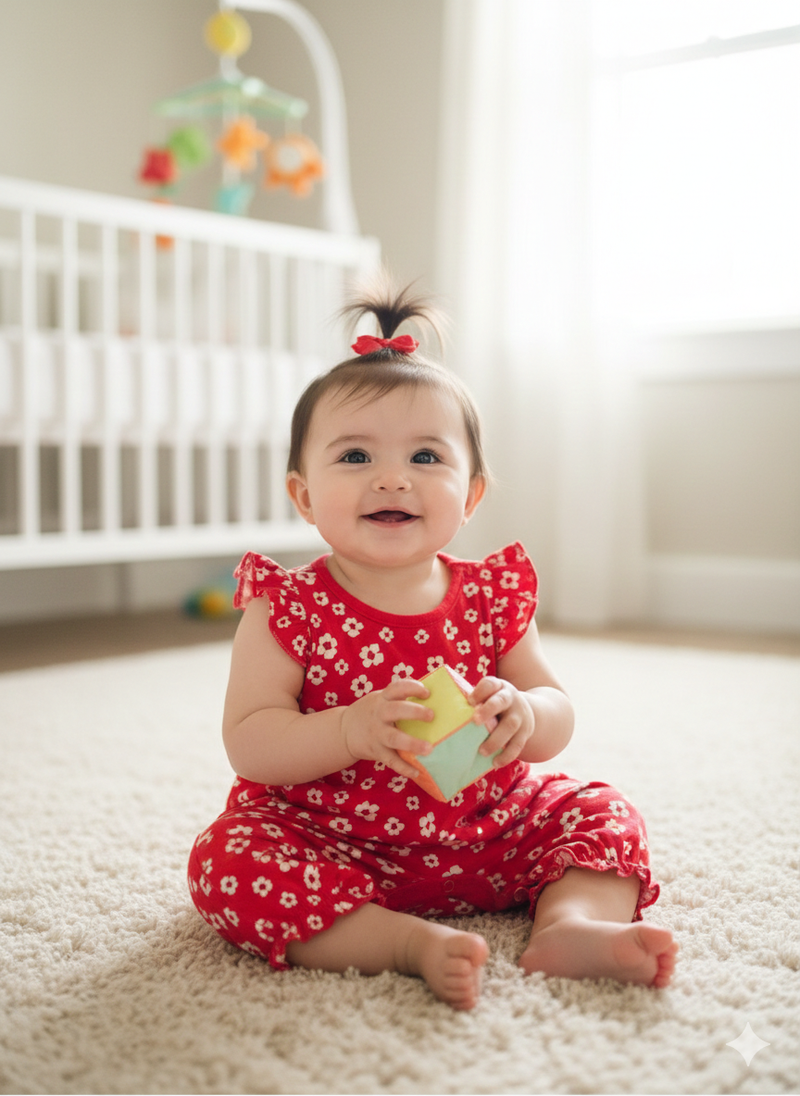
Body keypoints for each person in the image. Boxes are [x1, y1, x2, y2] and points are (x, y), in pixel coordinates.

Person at [188, 284, 678, 1010]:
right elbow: (251, 742)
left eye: (425, 456)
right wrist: (349, 729)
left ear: (471, 495)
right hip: (335, 837)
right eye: (355, 456)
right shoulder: (286, 607)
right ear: (304, 495)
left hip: (490, 827)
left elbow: (555, 708)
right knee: (226, 861)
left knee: (603, 811)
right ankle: (400, 942)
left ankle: (570, 926)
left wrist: (525, 714)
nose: (392, 478)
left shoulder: (491, 594)